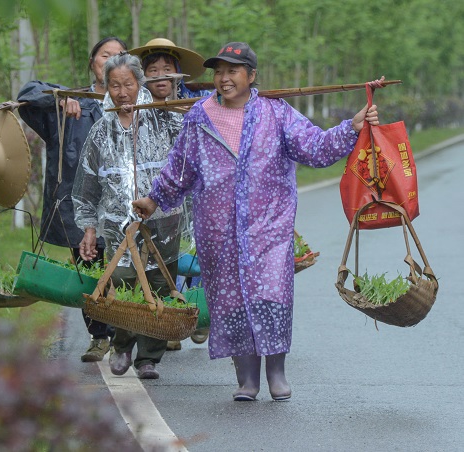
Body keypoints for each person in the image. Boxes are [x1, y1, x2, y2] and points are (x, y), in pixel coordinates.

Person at [132, 42, 381, 399]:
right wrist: (154, 199)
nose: (224, 78)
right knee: (230, 302)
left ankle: (276, 373)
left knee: (272, 294)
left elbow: (314, 146)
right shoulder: (199, 115)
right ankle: (246, 379)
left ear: (251, 76)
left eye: (233, 71)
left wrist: (351, 128)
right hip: (217, 228)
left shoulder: (275, 112)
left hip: (269, 226)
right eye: (218, 71)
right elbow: (180, 168)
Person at [72, 52, 193, 380]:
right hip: (118, 226)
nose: (122, 91)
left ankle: (149, 357)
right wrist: (89, 227)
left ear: (140, 84)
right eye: (115, 85)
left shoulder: (163, 117)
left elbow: (189, 150)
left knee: (158, 286)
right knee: (123, 285)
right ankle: (122, 345)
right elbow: (86, 185)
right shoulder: (100, 131)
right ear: (106, 88)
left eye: (128, 84)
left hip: (163, 220)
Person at [16, 37, 126, 363]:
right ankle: (99, 337)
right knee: (88, 269)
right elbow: (27, 95)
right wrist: (59, 102)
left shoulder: (136, 102)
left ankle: (133, 333)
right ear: (92, 61)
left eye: (119, 57)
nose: (111, 61)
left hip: (122, 206)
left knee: (125, 270)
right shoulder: (71, 102)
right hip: (81, 208)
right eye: (105, 55)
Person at [129, 38, 211, 351]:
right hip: (157, 196)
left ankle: (201, 314)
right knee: (167, 257)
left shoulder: (198, 103)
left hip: (195, 193)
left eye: (167, 69)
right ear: (144, 76)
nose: (161, 75)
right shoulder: (138, 108)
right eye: (153, 70)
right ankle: (172, 321)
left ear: (177, 74)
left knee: (200, 253)